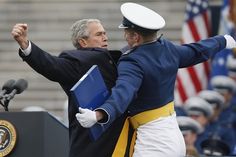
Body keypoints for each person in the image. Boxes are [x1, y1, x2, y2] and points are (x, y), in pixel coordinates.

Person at [76, 2, 236, 157]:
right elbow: (196, 51)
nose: (125, 36)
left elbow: (124, 93)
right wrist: (222, 41)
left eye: (126, 32)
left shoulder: (132, 61)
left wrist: (99, 114)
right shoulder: (167, 48)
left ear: (136, 37)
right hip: (174, 136)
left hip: (154, 142)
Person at [11, 19, 128, 157]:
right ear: (83, 42)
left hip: (122, 138)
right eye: (99, 34)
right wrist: (25, 45)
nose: (105, 37)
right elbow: (51, 65)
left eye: (105, 33)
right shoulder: (79, 60)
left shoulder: (118, 58)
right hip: (95, 145)